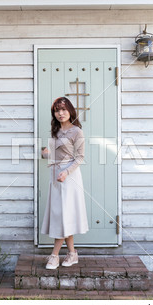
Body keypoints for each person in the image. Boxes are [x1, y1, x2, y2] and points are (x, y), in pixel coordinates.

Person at [40, 97, 89, 270]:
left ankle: (54, 255)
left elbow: (80, 157)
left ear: (70, 110)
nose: (60, 113)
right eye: (56, 110)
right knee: (63, 214)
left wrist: (66, 172)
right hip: (55, 175)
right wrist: (44, 153)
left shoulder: (77, 131)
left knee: (62, 215)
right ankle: (72, 253)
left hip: (69, 176)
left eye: (63, 109)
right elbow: (54, 155)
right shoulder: (56, 131)